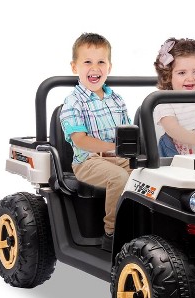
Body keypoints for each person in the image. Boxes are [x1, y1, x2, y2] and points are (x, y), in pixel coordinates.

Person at [60, 32, 131, 252]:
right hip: (87, 162)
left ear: (109, 67)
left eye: (101, 62)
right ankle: (113, 232)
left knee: (146, 175)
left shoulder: (116, 99)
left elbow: (128, 132)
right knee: (119, 178)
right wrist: (113, 147)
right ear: (75, 67)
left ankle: (143, 224)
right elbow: (80, 140)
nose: (95, 68)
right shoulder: (73, 102)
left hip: (118, 157)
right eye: (87, 62)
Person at [153, 37, 195, 156]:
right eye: (182, 73)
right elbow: (172, 129)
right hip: (178, 155)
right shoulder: (164, 101)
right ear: (168, 75)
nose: (190, 78)